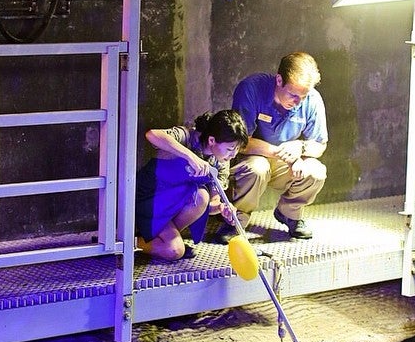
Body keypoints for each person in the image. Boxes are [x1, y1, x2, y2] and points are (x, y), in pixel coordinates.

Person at [215, 52, 327, 244]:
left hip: (285, 162)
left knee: (316, 171)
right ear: (279, 80)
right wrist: (283, 153)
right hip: (250, 157)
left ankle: (289, 214)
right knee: (257, 168)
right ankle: (235, 219)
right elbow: (240, 142)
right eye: (293, 94)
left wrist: (300, 147)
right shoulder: (251, 89)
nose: (297, 102)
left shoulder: (312, 100)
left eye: (303, 96)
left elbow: (319, 145)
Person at [135, 110, 248, 261]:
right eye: (230, 149)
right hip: (149, 199)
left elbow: (212, 203)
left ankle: (160, 239)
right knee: (174, 251)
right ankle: (129, 242)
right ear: (212, 140)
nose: (233, 155)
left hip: (170, 206)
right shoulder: (187, 136)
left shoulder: (221, 162)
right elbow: (152, 135)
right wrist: (190, 156)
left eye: (237, 149)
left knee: (202, 196)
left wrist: (221, 208)